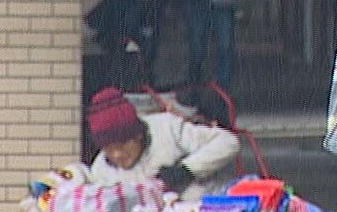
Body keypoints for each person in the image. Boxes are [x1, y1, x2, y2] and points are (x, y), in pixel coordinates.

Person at [84, 86, 240, 201]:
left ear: (138, 135)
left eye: (122, 145)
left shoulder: (168, 128)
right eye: (109, 149)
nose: (117, 154)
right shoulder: (100, 171)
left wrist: (188, 170)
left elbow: (228, 142)